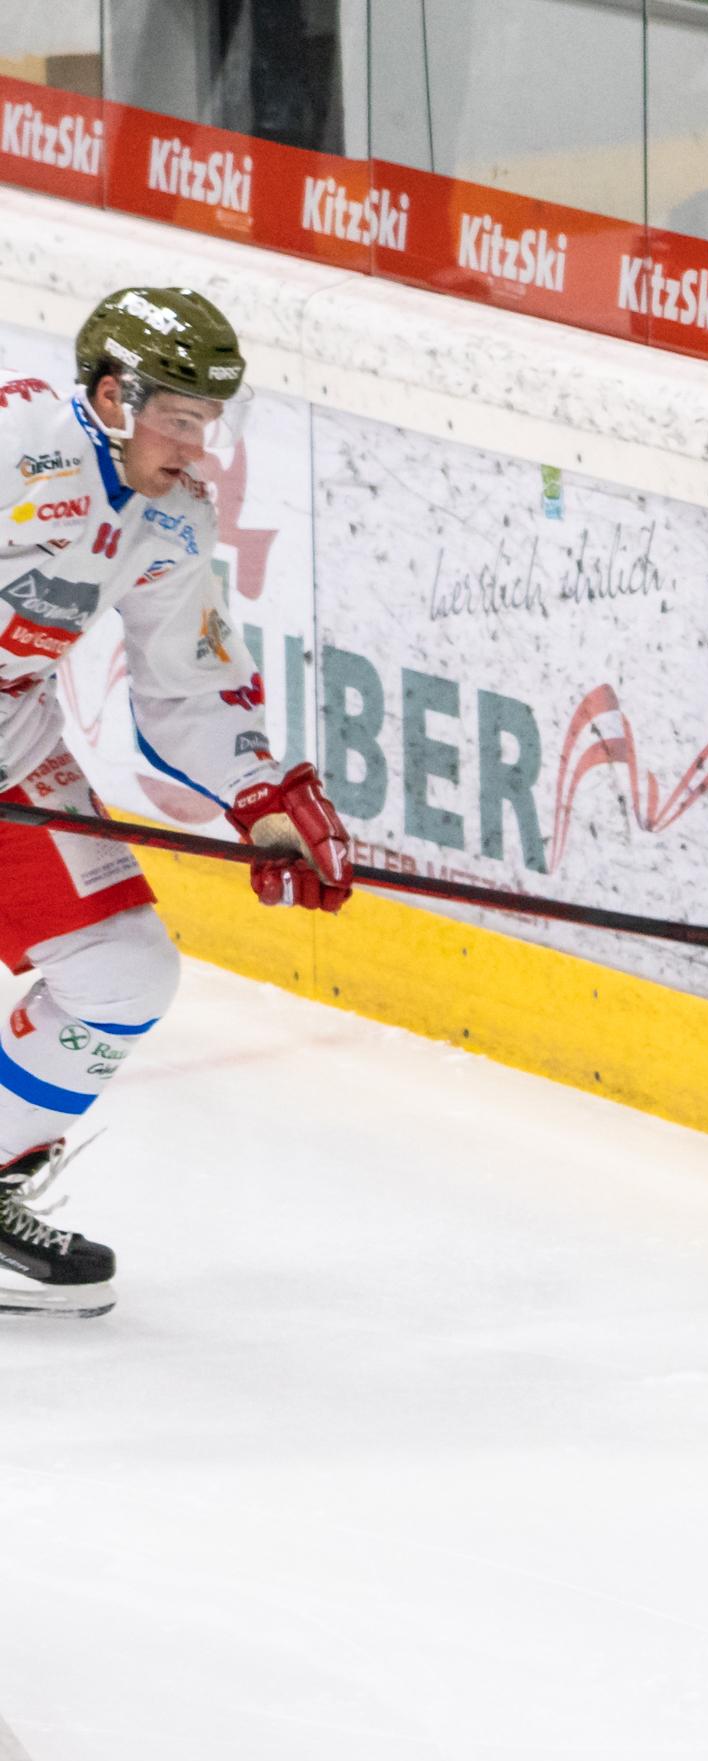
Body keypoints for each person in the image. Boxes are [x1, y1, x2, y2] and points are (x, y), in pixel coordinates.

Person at [0, 286, 354, 1313]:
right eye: (182, 420)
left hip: (9, 741)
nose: (200, 449)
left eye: (210, 424)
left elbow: (188, 688)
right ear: (115, 397)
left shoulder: (169, 519)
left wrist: (262, 800)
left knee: (123, 969)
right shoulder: (15, 440)